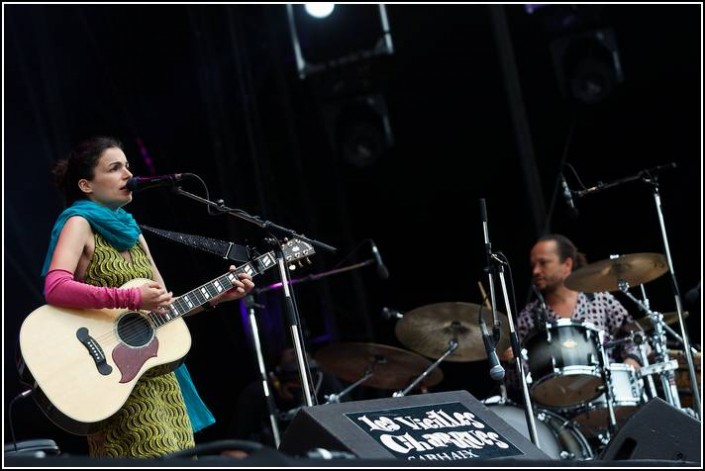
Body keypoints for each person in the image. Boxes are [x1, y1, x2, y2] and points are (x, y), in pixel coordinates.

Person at [40, 136, 255, 458]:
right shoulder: (78, 222)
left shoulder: (134, 231)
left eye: (127, 166)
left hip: (158, 375)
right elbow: (55, 287)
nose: (128, 174)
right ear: (86, 185)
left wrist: (216, 298)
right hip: (113, 378)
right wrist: (129, 298)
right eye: (115, 168)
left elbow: (164, 309)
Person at [501, 234, 647, 404]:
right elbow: (522, 383)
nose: (536, 271)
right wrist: (512, 363)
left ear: (567, 264)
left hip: (609, 399)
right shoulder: (529, 317)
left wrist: (632, 360)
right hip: (558, 410)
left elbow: (635, 335)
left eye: (543, 263)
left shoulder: (598, 299)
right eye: (533, 265)